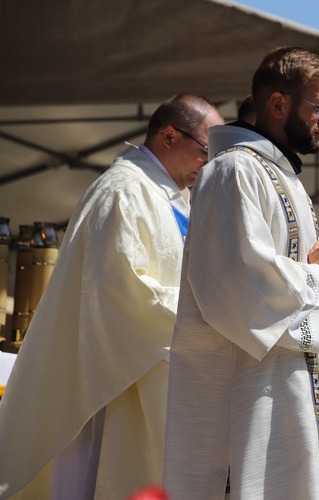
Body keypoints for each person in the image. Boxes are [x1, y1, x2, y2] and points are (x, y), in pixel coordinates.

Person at [162, 46, 319, 499]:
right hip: (251, 389)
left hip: (295, 384)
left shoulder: (284, 177)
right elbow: (235, 284)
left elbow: (293, 275)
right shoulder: (234, 171)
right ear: (278, 105)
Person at [0, 93, 224, 499]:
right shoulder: (122, 191)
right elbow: (120, 291)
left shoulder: (175, 197)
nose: (208, 163)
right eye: (206, 150)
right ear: (169, 136)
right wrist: (207, 315)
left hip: (166, 372)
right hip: (122, 380)